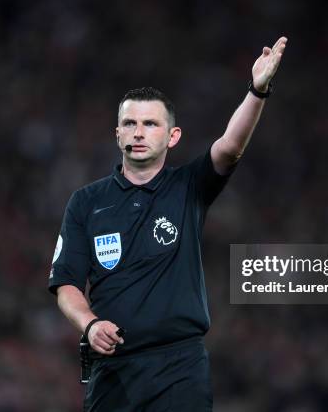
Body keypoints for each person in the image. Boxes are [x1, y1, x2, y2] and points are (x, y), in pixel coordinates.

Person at [48, 36, 288, 411]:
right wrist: (90, 324)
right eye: (129, 123)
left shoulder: (189, 186)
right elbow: (66, 284)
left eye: (150, 124)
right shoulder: (86, 202)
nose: (139, 132)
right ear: (117, 134)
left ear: (172, 136)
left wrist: (257, 91)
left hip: (179, 368)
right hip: (114, 370)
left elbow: (229, 147)